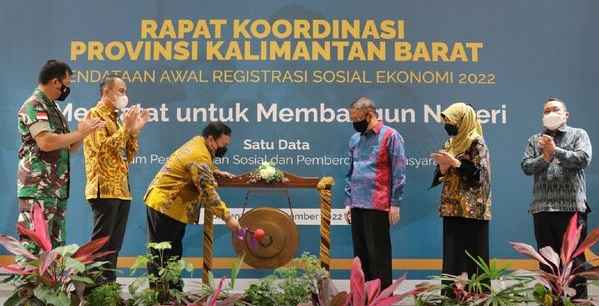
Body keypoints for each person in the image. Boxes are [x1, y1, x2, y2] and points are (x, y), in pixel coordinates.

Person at [17, 60, 104, 250]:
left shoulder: (54, 109)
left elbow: (68, 148)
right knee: (34, 247)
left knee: (54, 248)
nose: (67, 88)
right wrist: (79, 133)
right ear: (56, 82)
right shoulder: (34, 105)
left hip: (56, 189)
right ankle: (31, 282)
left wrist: (83, 133)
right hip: (38, 189)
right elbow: (46, 142)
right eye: (67, 83)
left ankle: (51, 282)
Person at [143, 122, 241, 289]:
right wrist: (228, 218)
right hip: (165, 205)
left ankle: (173, 293)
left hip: (172, 206)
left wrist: (214, 171)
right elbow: (208, 192)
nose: (223, 148)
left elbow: (200, 166)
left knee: (173, 253)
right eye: (222, 145)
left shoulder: (198, 142)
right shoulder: (199, 155)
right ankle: (160, 296)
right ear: (211, 139)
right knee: (161, 255)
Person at [521, 97, 592, 299]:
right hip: (542, 209)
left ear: (566, 115)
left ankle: (578, 302)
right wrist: (544, 157)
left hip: (571, 209)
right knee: (547, 263)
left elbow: (583, 159)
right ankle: (551, 302)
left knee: (574, 262)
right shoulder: (535, 140)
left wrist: (556, 151)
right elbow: (526, 166)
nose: (550, 113)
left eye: (555, 109)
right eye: (547, 111)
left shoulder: (578, 134)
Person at [83, 75, 150, 282]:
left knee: (115, 245)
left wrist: (134, 132)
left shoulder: (115, 119)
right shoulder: (94, 116)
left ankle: (108, 288)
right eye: (121, 91)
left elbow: (128, 156)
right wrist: (125, 129)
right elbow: (102, 151)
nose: (124, 96)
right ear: (106, 92)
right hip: (103, 188)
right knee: (101, 244)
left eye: (125, 91)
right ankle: (94, 291)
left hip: (122, 189)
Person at [343, 97, 406, 289]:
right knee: (360, 255)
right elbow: (350, 171)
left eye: (356, 119)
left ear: (369, 115)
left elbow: (399, 171)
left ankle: (381, 298)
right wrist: (348, 201)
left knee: (378, 255)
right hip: (357, 204)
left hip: (378, 203)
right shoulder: (355, 139)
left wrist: (395, 203)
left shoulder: (391, 136)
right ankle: (362, 296)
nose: (354, 123)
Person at [430, 102, 491, 295]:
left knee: (475, 257)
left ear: (463, 120)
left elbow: (480, 175)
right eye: (445, 121)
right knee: (452, 256)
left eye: (451, 121)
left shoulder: (477, 141)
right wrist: (442, 168)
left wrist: (455, 162)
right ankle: (450, 298)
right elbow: (439, 177)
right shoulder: (449, 143)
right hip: (452, 207)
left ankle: (478, 297)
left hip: (474, 210)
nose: (448, 125)